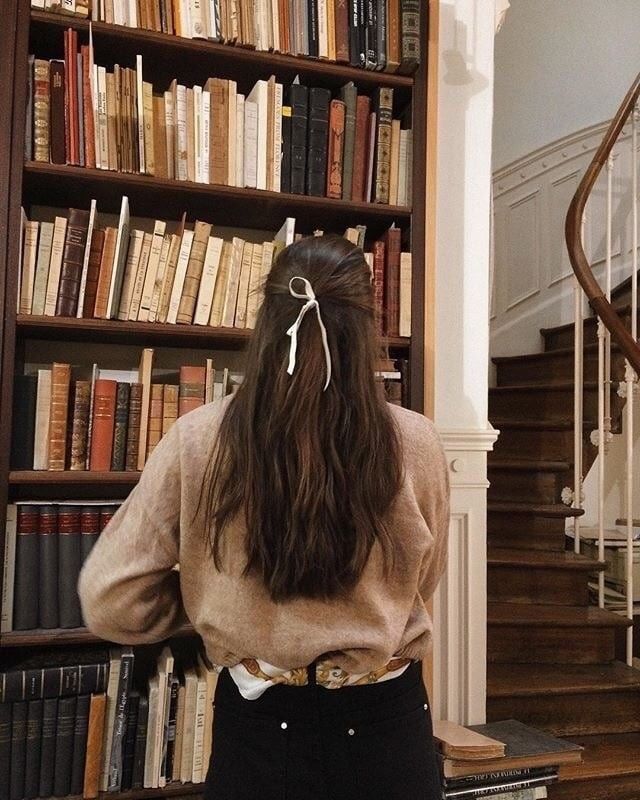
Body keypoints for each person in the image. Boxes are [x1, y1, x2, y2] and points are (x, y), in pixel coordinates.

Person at [78, 234, 450, 800]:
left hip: (257, 723)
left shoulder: (197, 439)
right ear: (366, 325)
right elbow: (422, 581)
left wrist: (208, 594)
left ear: (266, 319)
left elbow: (111, 597)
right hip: (387, 724)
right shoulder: (418, 443)